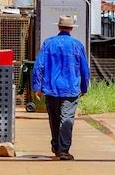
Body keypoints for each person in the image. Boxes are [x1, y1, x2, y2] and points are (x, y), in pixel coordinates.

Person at [32, 15, 90, 161]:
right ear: (71, 29)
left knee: (54, 118)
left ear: (59, 27)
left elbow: (39, 66)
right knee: (67, 119)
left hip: (51, 87)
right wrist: (84, 87)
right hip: (70, 88)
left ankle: (56, 146)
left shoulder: (48, 43)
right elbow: (84, 69)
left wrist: (37, 86)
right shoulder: (77, 45)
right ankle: (63, 150)